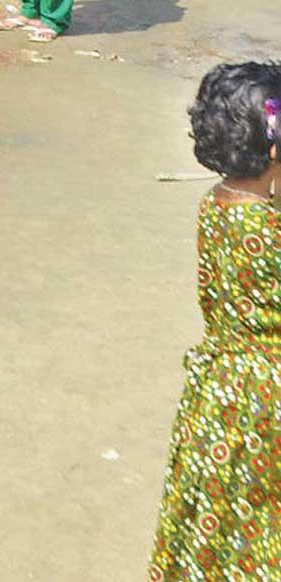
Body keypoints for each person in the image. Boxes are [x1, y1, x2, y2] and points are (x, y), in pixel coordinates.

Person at [148, 61, 281, 579]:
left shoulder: (219, 204)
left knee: (220, 515)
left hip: (222, 393)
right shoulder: (265, 232)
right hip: (267, 402)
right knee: (260, 522)